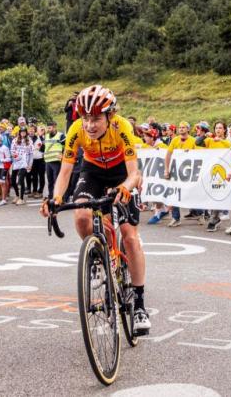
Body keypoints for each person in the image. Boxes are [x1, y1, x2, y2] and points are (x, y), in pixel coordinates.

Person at [41, 84, 150, 334]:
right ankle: (99, 255)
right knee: (81, 214)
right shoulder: (77, 130)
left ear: (110, 116)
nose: (90, 125)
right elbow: (66, 171)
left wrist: (125, 187)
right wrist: (56, 197)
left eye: (96, 119)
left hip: (121, 173)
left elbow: (135, 173)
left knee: (130, 237)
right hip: (93, 173)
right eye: (86, 118)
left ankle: (140, 304)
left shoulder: (122, 127)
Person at [198, 121, 231, 231]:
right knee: (212, 195)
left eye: (220, 128)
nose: (218, 130)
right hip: (211, 171)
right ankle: (214, 217)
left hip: (224, 173)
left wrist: (221, 140)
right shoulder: (210, 140)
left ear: (224, 130)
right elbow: (198, 142)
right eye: (216, 128)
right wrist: (204, 135)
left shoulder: (227, 141)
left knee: (218, 194)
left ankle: (214, 218)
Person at [164, 121, 197, 227]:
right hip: (176, 171)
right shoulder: (174, 140)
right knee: (174, 193)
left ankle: (199, 212)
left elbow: (199, 155)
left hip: (189, 172)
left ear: (188, 129)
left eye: (183, 127)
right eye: (180, 127)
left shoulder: (193, 140)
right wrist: (166, 169)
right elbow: (168, 155)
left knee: (192, 193)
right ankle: (175, 217)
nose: (181, 129)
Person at [10, 126, 33, 205]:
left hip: (24, 162)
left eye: (24, 132)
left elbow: (31, 154)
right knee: (13, 180)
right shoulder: (15, 140)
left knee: (20, 179)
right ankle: (17, 195)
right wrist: (15, 155)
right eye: (21, 132)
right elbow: (12, 151)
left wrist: (30, 164)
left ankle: (21, 198)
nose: (23, 133)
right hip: (16, 162)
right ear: (19, 132)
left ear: (26, 133)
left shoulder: (29, 141)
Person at [43, 121, 65, 200]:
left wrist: (63, 154)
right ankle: (50, 196)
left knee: (57, 180)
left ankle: (58, 197)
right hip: (48, 161)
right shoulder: (46, 136)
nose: (48, 129)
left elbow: (66, 146)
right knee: (50, 181)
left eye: (50, 128)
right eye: (48, 128)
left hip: (56, 161)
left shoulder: (60, 136)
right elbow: (44, 147)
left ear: (54, 127)